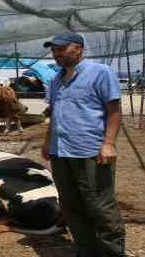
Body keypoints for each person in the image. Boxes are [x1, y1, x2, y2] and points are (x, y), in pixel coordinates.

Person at [41, 32, 125, 257]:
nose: (57, 53)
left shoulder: (100, 72)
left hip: (90, 151)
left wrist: (109, 143)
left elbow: (114, 111)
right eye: (54, 50)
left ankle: (112, 252)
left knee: (100, 205)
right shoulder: (55, 80)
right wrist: (48, 142)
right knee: (70, 205)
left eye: (61, 48)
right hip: (61, 152)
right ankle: (85, 250)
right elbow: (54, 114)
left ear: (79, 49)